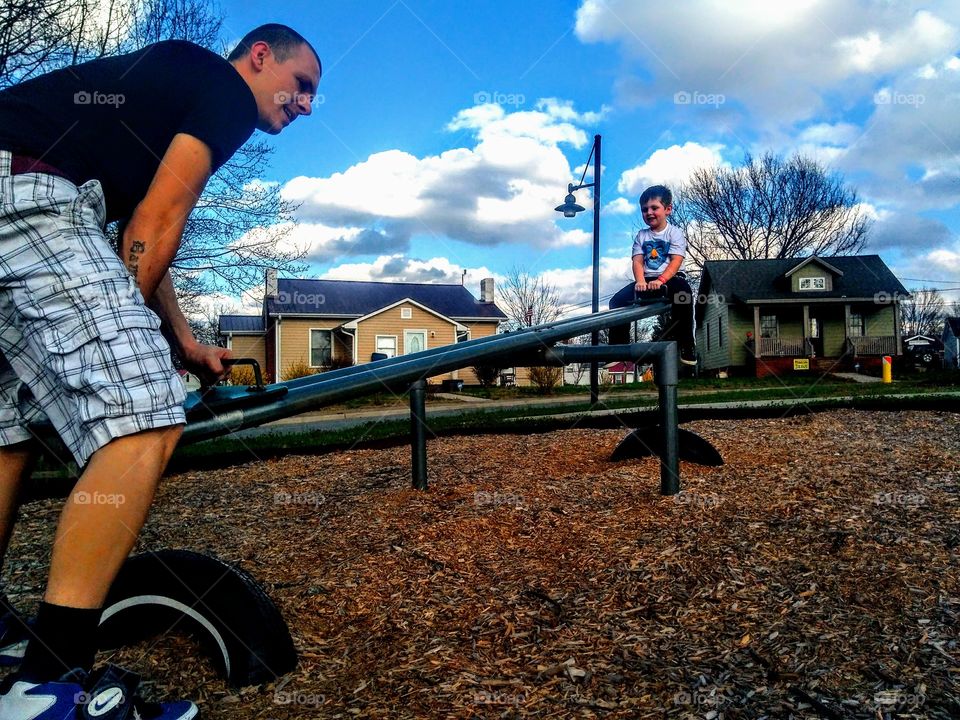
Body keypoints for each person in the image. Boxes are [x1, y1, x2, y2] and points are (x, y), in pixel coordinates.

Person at [0, 23, 321, 720]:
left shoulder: (163, 89)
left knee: (8, 432)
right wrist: (142, 350)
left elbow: (132, 237)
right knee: (144, 408)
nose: (305, 107)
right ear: (259, 58)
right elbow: (160, 217)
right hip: (27, 196)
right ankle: (45, 688)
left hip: (26, 199)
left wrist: (182, 339)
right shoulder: (224, 88)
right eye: (301, 86)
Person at [608, 185, 697, 366]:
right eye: (644, 209)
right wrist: (640, 281)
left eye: (654, 208)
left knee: (684, 296)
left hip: (672, 279)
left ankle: (687, 345)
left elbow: (676, 261)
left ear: (668, 209)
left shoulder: (675, 233)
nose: (649, 212)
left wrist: (662, 280)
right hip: (647, 280)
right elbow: (638, 261)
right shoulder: (641, 235)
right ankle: (618, 347)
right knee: (616, 301)